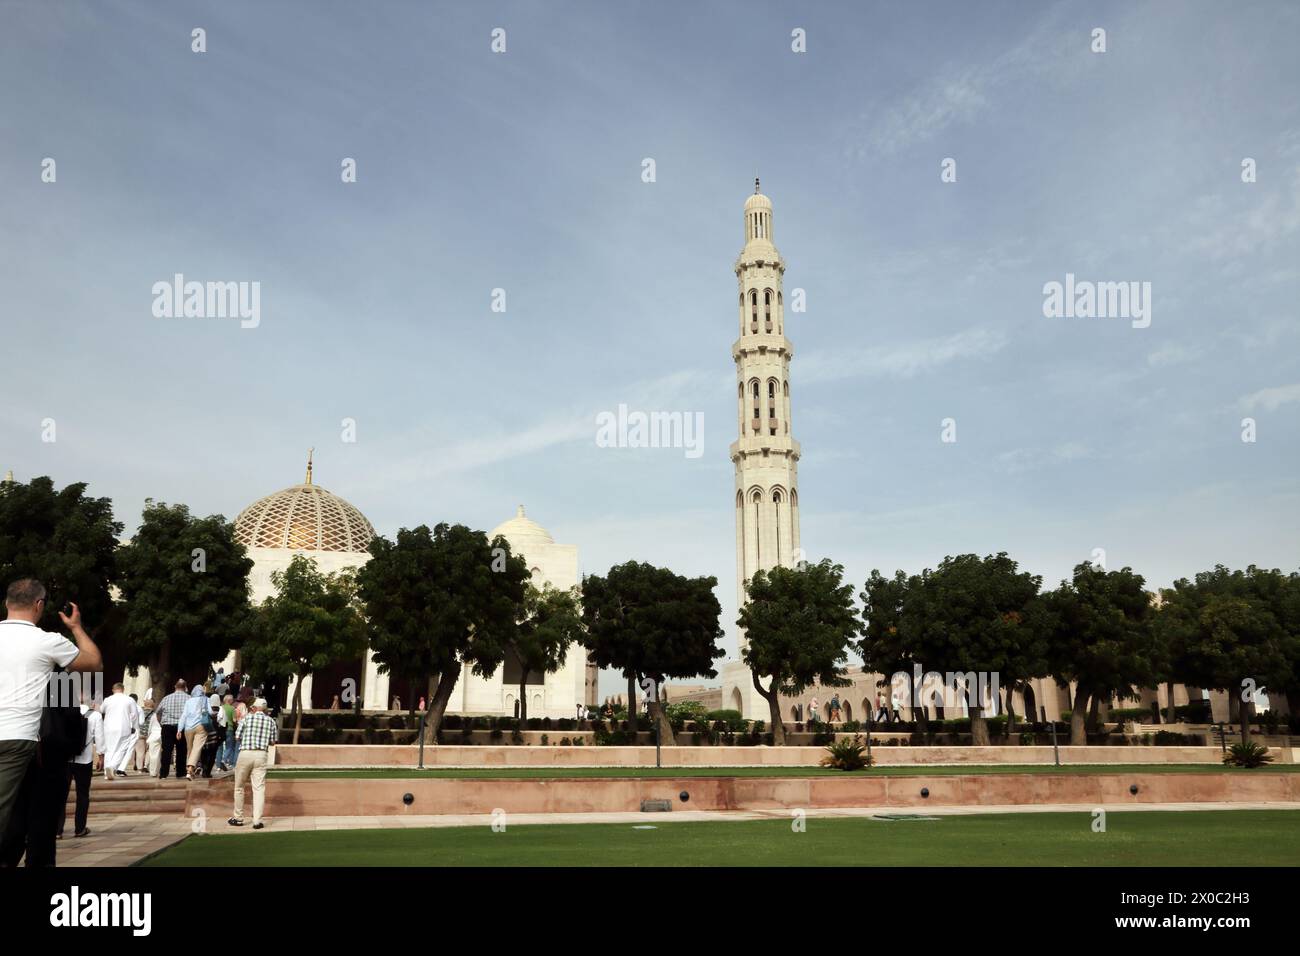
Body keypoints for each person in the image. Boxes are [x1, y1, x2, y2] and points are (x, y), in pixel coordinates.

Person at [0, 579, 102, 848]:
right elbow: (93, 662)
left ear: (6, 603)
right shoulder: (46, 641)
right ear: (39, 605)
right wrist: (76, 627)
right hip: (17, 737)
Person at [229, 698, 277, 830]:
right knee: (259, 788)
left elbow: (237, 736)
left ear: (254, 708)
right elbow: (273, 742)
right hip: (261, 755)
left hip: (245, 753)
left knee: (239, 787)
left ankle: (238, 818)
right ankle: (257, 821)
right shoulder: (271, 721)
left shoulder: (246, 719)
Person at [59, 697, 102, 839]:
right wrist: (101, 755)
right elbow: (100, 737)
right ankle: (80, 828)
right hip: (85, 759)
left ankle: (57, 830)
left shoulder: (64, 712)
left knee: (61, 795)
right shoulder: (95, 715)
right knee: (82, 794)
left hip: (65, 758)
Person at [99, 682, 138, 780]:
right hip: (123, 726)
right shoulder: (129, 700)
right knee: (122, 749)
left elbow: (101, 710)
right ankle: (112, 767)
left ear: (113, 690)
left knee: (109, 749)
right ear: (123, 689)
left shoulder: (107, 699)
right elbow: (134, 715)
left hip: (108, 727)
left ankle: (106, 771)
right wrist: (134, 727)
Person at [156, 679, 190, 778]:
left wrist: (161, 723)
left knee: (166, 750)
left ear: (175, 686)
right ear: (185, 687)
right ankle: (180, 772)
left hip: (167, 726)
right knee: (181, 750)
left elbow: (158, 712)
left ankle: (163, 773)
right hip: (182, 727)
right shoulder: (189, 698)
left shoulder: (166, 698)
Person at [181, 686, 211, 781]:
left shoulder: (188, 701)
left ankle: (189, 771)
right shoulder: (206, 699)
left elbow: (184, 715)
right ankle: (190, 768)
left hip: (188, 728)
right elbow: (210, 712)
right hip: (201, 726)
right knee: (197, 748)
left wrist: (179, 729)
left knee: (190, 749)